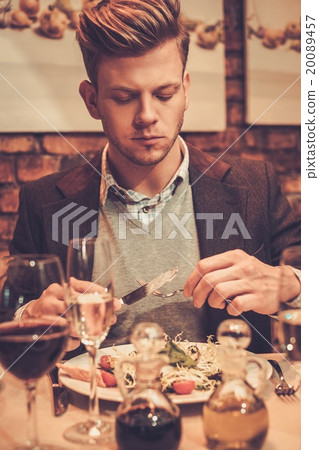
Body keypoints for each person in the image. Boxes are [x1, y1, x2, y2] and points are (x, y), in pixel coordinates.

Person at [9, 0, 300, 353]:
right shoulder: (43, 202)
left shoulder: (255, 185)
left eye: (165, 94)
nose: (147, 115)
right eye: (123, 97)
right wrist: (30, 314)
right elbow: (11, 311)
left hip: (226, 405)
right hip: (92, 404)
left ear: (186, 90)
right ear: (92, 100)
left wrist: (290, 285)